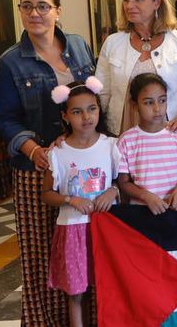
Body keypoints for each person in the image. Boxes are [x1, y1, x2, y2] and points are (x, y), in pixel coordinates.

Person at [0, 0, 96, 325]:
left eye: (42, 6)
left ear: (57, 10)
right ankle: (46, 321)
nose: (34, 13)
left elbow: (96, 98)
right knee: (43, 252)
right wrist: (34, 149)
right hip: (38, 167)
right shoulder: (11, 61)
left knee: (84, 245)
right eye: (27, 7)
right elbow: (5, 119)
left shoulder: (79, 46)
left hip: (84, 161)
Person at [40, 78, 119, 327]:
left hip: (107, 229)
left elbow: (125, 181)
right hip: (73, 230)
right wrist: (69, 198)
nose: (86, 117)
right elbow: (46, 194)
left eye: (92, 109)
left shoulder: (112, 146)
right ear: (65, 116)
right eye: (77, 111)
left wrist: (113, 191)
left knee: (110, 285)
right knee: (76, 291)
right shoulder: (58, 153)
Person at [95, 0, 177, 136]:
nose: (129, 5)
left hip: (170, 133)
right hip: (121, 132)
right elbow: (102, 94)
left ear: (156, 2)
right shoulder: (113, 43)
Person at [115, 73, 177, 214]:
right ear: (134, 105)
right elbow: (124, 182)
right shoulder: (126, 140)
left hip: (176, 210)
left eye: (162, 101)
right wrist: (146, 197)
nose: (157, 108)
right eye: (149, 102)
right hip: (141, 214)